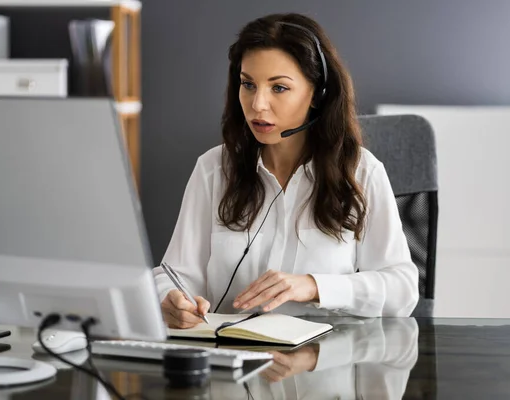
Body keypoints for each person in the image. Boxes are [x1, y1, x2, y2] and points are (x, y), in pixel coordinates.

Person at [153, 12, 419, 329]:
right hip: (234, 364)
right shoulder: (213, 169)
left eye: (278, 88)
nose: (257, 105)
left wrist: (314, 286)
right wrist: (170, 298)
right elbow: (173, 274)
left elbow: (403, 290)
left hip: (325, 364)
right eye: (248, 84)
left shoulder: (362, 172)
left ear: (317, 94)